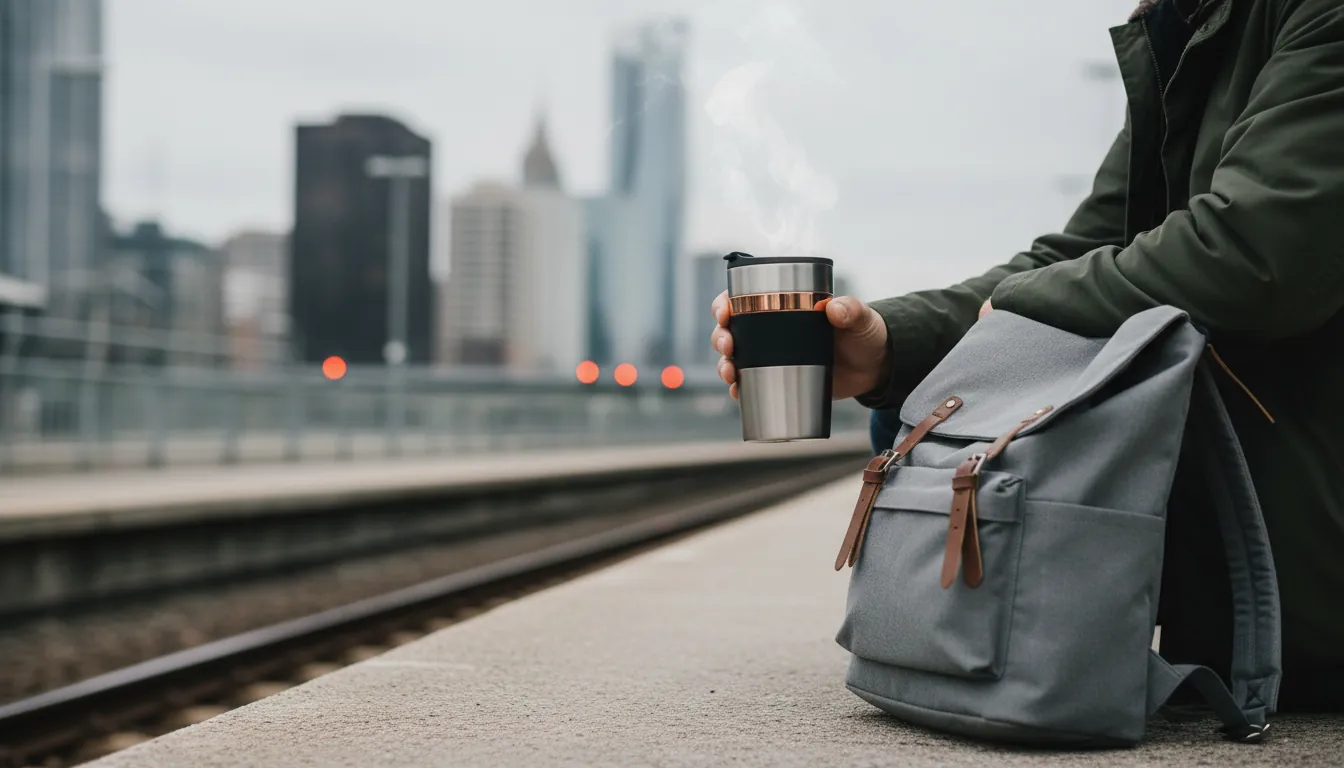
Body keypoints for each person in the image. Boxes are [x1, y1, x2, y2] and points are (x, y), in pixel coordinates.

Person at [710, 0, 1343, 711]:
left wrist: (1025, 303)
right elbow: (1076, 252)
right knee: (915, 410)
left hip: (1302, 534)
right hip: (1251, 508)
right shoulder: (1190, 30)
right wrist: (886, 344)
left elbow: (1258, 256)